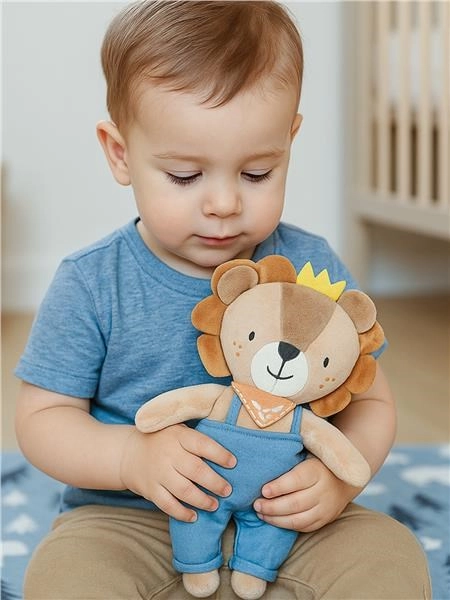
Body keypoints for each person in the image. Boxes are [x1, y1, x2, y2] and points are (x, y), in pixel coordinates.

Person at [15, 2, 431, 599]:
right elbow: (43, 419)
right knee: (66, 577)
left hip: (283, 521)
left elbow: (371, 401)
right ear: (120, 153)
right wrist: (130, 458)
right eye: (185, 176)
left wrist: (337, 482)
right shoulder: (92, 281)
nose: (224, 204)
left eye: (257, 173)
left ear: (289, 141)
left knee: (388, 557)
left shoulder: (310, 270)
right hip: (133, 519)